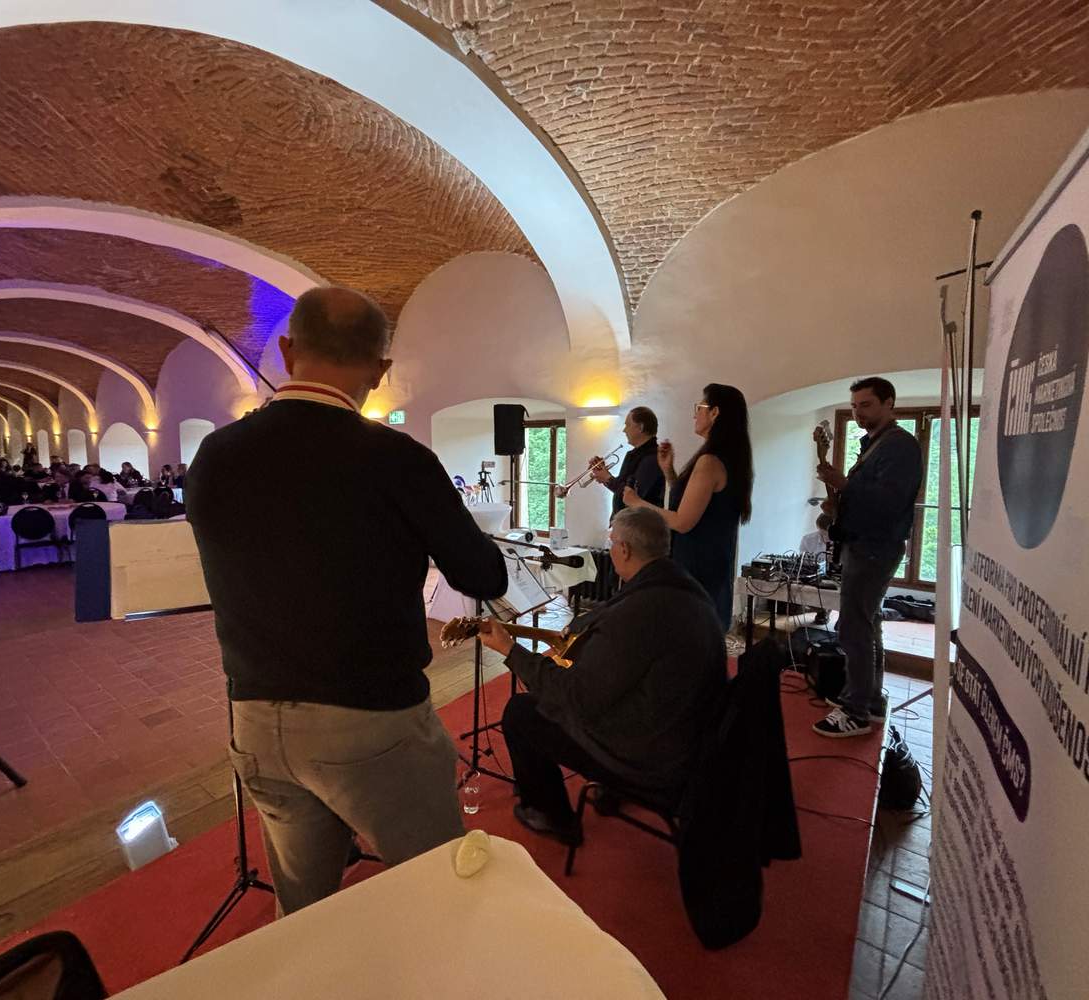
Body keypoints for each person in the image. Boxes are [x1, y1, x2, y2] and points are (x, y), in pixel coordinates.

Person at [186, 285, 508, 917]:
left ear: (287, 351)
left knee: (305, 911)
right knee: (440, 893)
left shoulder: (215, 454)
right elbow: (484, 575)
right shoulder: (398, 460)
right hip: (370, 720)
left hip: (255, 717)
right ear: (380, 370)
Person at [481, 507, 726, 844]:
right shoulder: (683, 587)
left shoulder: (639, 614)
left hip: (652, 757)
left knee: (522, 713)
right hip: (691, 736)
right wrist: (586, 629)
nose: (610, 549)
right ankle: (610, 791)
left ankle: (552, 815)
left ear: (624, 549)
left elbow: (577, 699)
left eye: (612, 543)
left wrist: (511, 651)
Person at [812, 377, 922, 738]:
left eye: (867, 405)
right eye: (855, 406)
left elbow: (889, 502)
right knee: (867, 622)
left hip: (874, 547)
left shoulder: (899, 446)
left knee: (853, 626)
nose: (859, 413)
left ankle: (855, 709)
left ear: (889, 403)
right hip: (865, 544)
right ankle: (870, 699)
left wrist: (845, 485)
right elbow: (868, 498)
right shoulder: (875, 444)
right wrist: (839, 505)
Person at [624, 383, 753, 632]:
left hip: (699, 564)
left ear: (715, 412)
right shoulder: (725, 457)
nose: (695, 415)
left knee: (690, 636)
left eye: (699, 407)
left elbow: (683, 522)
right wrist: (669, 472)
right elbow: (694, 505)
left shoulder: (710, 461)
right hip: (710, 562)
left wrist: (638, 503)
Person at [588, 406, 665, 519]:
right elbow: (623, 487)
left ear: (640, 427)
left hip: (640, 524)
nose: (624, 430)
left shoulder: (653, 458)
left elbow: (635, 497)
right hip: (626, 522)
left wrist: (608, 478)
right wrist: (604, 474)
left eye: (628, 425)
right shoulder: (634, 454)